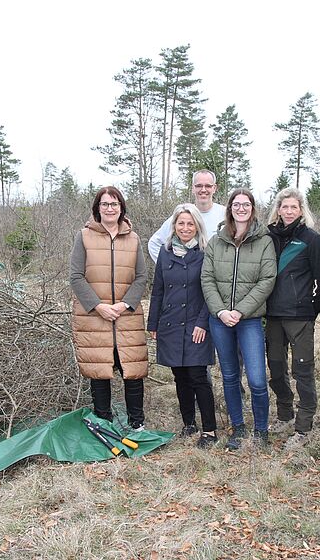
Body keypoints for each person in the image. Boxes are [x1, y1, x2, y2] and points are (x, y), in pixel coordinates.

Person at [201, 188, 276, 450]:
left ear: (252, 208)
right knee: (230, 375)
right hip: (219, 320)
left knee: (256, 378)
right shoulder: (217, 241)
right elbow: (207, 278)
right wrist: (221, 311)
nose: (241, 208)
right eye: (236, 204)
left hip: (250, 320)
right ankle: (238, 427)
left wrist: (240, 311)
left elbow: (267, 280)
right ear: (230, 208)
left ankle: (261, 430)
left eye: (246, 204)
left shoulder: (264, 241)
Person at [70, 186, 148, 430]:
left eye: (114, 204)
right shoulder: (84, 236)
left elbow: (142, 277)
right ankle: (104, 421)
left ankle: (137, 423)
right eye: (105, 204)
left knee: (132, 369)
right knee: (99, 370)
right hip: (94, 316)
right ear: (97, 208)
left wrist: (125, 304)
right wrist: (98, 306)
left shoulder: (133, 238)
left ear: (121, 208)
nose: (110, 208)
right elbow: (76, 276)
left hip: (127, 315)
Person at [147, 204, 217, 449]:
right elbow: (157, 291)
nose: (185, 228)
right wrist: (153, 323)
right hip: (170, 323)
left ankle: (209, 429)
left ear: (197, 226)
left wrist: (203, 323)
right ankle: (189, 423)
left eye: (190, 224)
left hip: (197, 323)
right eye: (181, 223)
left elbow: (212, 292)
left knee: (198, 375)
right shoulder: (165, 253)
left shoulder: (206, 253)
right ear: (174, 226)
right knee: (179, 375)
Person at [265, 188, 320, 450]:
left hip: (300, 316)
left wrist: (310, 310)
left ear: (301, 210)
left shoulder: (311, 240)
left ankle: (303, 427)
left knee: (303, 371)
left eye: (294, 207)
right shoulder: (268, 238)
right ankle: (284, 414)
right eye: (285, 207)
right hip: (272, 315)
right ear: (278, 209)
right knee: (276, 369)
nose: (289, 211)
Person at [148, 169, 225, 263]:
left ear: (214, 188)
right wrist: (167, 267)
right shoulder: (183, 216)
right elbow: (154, 243)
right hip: (188, 276)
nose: (203, 190)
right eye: (199, 186)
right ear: (193, 188)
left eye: (208, 186)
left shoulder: (225, 214)